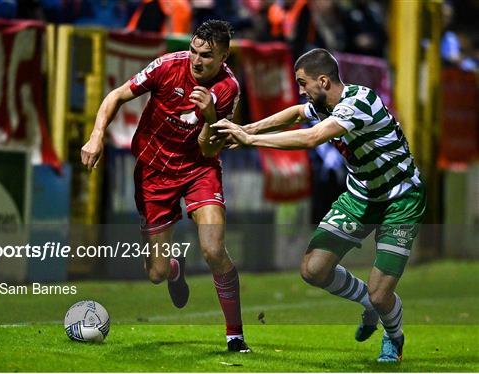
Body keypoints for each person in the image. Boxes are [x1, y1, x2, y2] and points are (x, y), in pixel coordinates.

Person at [213, 48, 425, 362]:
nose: (300, 91)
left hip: (400, 200)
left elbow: (312, 138)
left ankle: (394, 337)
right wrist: (247, 128)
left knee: (383, 295)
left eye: (303, 83)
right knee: (313, 270)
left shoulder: (358, 103)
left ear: (323, 81)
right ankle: (368, 303)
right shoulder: (325, 105)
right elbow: (296, 115)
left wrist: (250, 141)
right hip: (362, 197)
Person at [80, 19, 250, 353]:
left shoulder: (229, 88)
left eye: (207, 56)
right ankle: (175, 269)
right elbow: (116, 95)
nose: (197, 61)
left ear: (224, 57)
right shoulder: (168, 66)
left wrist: (211, 116)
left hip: (199, 168)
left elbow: (210, 149)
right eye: (194, 51)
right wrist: (96, 135)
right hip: (153, 170)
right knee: (156, 272)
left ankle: (235, 335)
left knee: (214, 249)